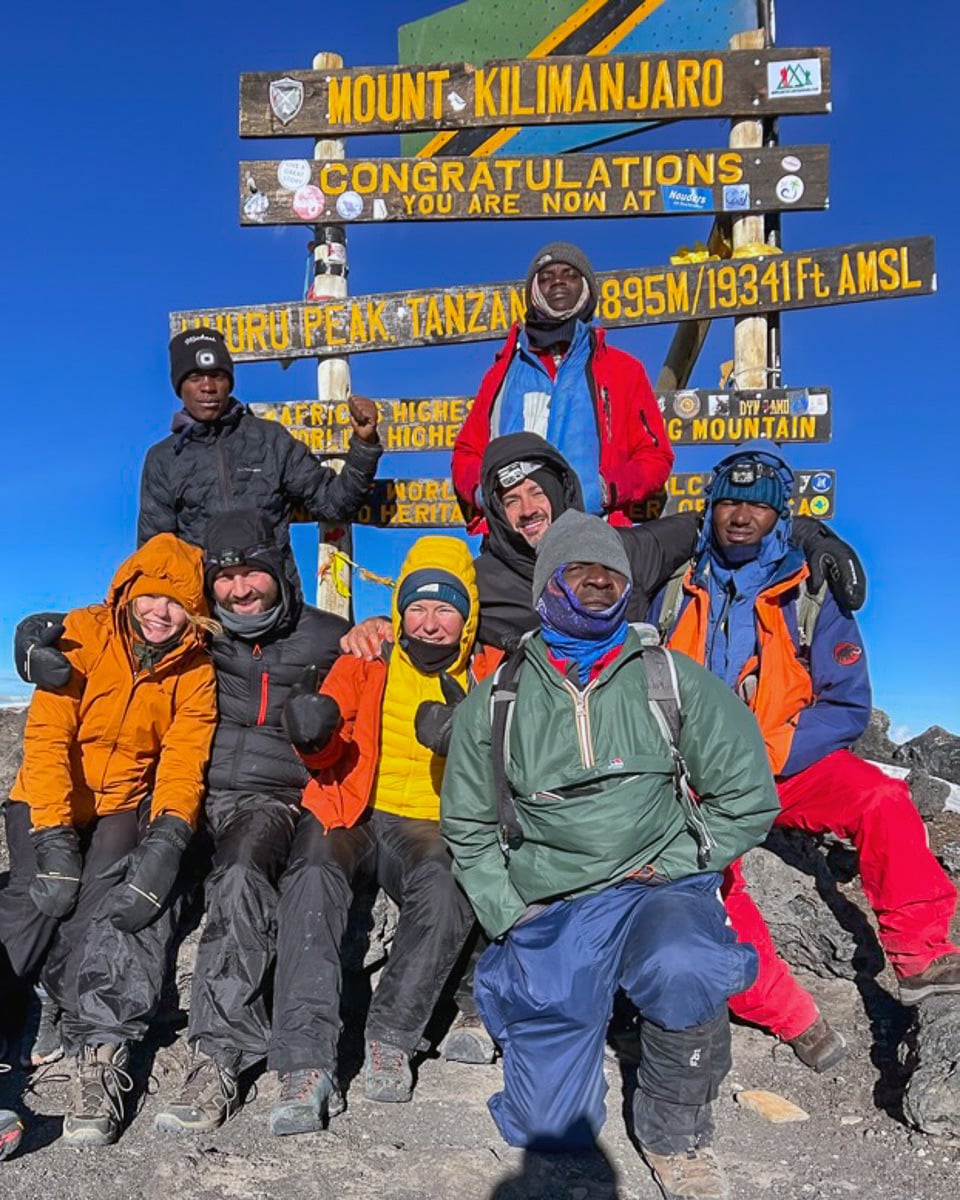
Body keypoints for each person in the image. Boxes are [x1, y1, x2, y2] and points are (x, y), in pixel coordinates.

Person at [441, 511, 779, 1200]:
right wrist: (511, 913)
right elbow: (469, 827)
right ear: (547, 585)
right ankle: (574, 1023)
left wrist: (688, 857)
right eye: (581, 572)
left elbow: (747, 791)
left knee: (684, 963)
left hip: (660, 887)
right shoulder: (498, 698)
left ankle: (674, 1134)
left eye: (612, 576)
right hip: (554, 903)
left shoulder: (671, 680)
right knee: (548, 1126)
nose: (599, 584)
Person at [651, 440, 960, 1070]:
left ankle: (921, 955)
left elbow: (846, 706)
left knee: (882, 798)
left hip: (785, 768)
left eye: (758, 506)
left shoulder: (811, 594)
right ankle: (791, 1013)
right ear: (709, 509)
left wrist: (764, 754)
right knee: (707, 882)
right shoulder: (670, 591)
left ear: (780, 517)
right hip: (689, 779)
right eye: (730, 501)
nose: (741, 515)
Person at [0, 535, 218, 1146]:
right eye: (150, 595)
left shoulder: (195, 669)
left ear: (192, 611)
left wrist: (172, 833)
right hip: (50, 792)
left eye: (175, 603)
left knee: (100, 897)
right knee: (38, 894)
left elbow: (182, 760)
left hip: (121, 799)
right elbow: (45, 739)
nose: (160, 612)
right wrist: (51, 833)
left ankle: (65, 1017)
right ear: (127, 591)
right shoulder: (83, 633)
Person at [264, 537, 483, 1135]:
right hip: (350, 809)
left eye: (447, 610)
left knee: (446, 886)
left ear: (468, 617)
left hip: (431, 823)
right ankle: (305, 1064)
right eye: (418, 607)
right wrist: (313, 738)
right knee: (311, 881)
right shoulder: (366, 658)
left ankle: (392, 1035)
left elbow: (513, 758)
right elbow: (326, 743)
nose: (431, 623)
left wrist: (470, 739)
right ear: (400, 610)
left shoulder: (488, 670)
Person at [151, 510, 350, 1133]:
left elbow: (376, 684)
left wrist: (375, 629)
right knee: (134, 872)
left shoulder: (326, 636)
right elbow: (124, 632)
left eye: (252, 573)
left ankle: (219, 1054)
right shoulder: (198, 634)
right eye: (226, 577)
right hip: (191, 793)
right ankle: (89, 1037)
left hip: (269, 801)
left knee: (238, 876)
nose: (240, 589)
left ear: (278, 570)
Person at [346, 432, 865, 658]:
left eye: (535, 491)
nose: (527, 508)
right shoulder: (484, 582)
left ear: (559, 491)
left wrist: (811, 535)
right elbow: (434, 617)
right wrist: (378, 626)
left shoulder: (621, 551)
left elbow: (722, 521)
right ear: (496, 513)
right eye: (509, 500)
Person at [451, 242, 673, 526]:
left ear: (586, 287)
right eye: (544, 277)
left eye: (569, 273)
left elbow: (655, 455)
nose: (556, 280)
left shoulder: (623, 369)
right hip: (512, 537)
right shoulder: (501, 374)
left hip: (595, 531)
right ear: (533, 293)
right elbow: (466, 452)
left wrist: (606, 490)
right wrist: (486, 496)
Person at [137, 327, 382, 548]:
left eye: (217, 376)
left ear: (230, 383)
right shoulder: (163, 459)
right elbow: (155, 556)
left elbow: (335, 503)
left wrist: (364, 444)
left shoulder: (270, 440)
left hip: (272, 596)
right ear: (180, 386)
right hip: (201, 597)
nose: (208, 386)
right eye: (195, 377)